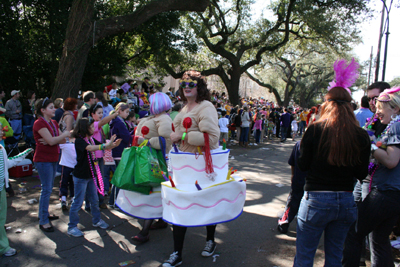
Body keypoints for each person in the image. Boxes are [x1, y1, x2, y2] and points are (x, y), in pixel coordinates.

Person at [293, 59, 370, 266]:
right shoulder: (361, 135)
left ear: (327, 104)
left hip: (316, 199)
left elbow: (302, 165)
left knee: (304, 256)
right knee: (335, 256)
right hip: (346, 201)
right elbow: (362, 172)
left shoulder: (316, 129)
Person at [164, 70, 220, 267]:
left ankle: (210, 240)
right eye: (184, 84)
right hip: (181, 167)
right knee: (180, 207)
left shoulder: (206, 107)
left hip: (199, 166)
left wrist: (182, 136)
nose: (186, 87)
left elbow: (212, 140)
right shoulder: (183, 108)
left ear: (199, 87)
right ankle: (177, 253)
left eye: (191, 84)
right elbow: (174, 133)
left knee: (206, 204)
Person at [342, 86, 400, 267]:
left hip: (384, 193)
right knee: (378, 240)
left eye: (381, 108)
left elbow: (391, 161)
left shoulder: (397, 126)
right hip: (390, 193)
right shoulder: (393, 124)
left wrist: (371, 144)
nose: (377, 111)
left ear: (395, 108)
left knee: (353, 232)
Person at [124, 92, 173, 243]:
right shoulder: (155, 118)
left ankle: (145, 232)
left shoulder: (163, 118)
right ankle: (161, 221)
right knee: (154, 193)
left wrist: (145, 141)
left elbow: (167, 141)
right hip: (149, 158)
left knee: (152, 194)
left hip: (155, 161)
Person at [67, 118, 121, 237]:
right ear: (84, 128)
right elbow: (91, 148)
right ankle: (72, 226)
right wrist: (105, 145)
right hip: (81, 176)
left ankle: (96, 220)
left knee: (95, 200)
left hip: (91, 175)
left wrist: (112, 144)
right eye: (91, 127)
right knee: (78, 202)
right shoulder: (80, 141)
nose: (93, 128)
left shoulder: (91, 139)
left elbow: (102, 147)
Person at [33, 98, 71, 232]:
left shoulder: (53, 122)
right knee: (47, 189)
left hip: (53, 158)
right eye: (50, 107)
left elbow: (59, 139)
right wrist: (59, 137)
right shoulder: (39, 123)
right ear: (42, 110)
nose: (54, 109)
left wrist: (56, 139)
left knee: (48, 189)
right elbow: (52, 140)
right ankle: (43, 220)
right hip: (43, 160)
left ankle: (44, 214)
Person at [0, 140, 33, 257]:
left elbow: (7, 164)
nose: (1, 133)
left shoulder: (1, 149)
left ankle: (3, 247)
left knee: (1, 219)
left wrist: (23, 154)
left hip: (1, 189)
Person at [89, 103, 120, 209]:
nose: (101, 115)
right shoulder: (94, 125)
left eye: (102, 112)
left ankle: (99, 201)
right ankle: (94, 202)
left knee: (100, 178)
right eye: (99, 113)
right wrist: (114, 115)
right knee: (95, 179)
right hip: (94, 156)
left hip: (100, 156)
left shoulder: (99, 126)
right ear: (92, 114)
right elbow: (102, 122)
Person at [277, 141, 307, 234]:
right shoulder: (327, 144)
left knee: (294, 201)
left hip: (300, 181)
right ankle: (285, 222)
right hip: (317, 186)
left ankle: (284, 222)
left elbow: (292, 163)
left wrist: (293, 175)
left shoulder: (300, 144)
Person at [108, 103, 132, 207]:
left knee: (118, 177)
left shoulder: (115, 121)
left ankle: (113, 201)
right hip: (120, 151)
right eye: (126, 112)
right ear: (120, 111)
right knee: (119, 177)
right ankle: (114, 201)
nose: (127, 114)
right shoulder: (119, 122)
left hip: (117, 151)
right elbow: (126, 137)